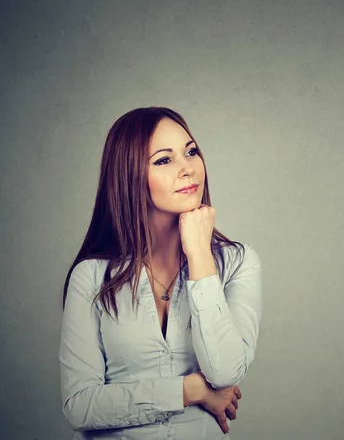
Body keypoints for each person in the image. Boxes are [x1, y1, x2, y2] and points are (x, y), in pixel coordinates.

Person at [59, 107, 262, 440]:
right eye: (164, 160)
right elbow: (80, 407)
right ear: (129, 176)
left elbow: (225, 372)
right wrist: (190, 390)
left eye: (191, 152)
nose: (187, 169)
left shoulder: (238, 262)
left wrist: (199, 256)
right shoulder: (92, 277)